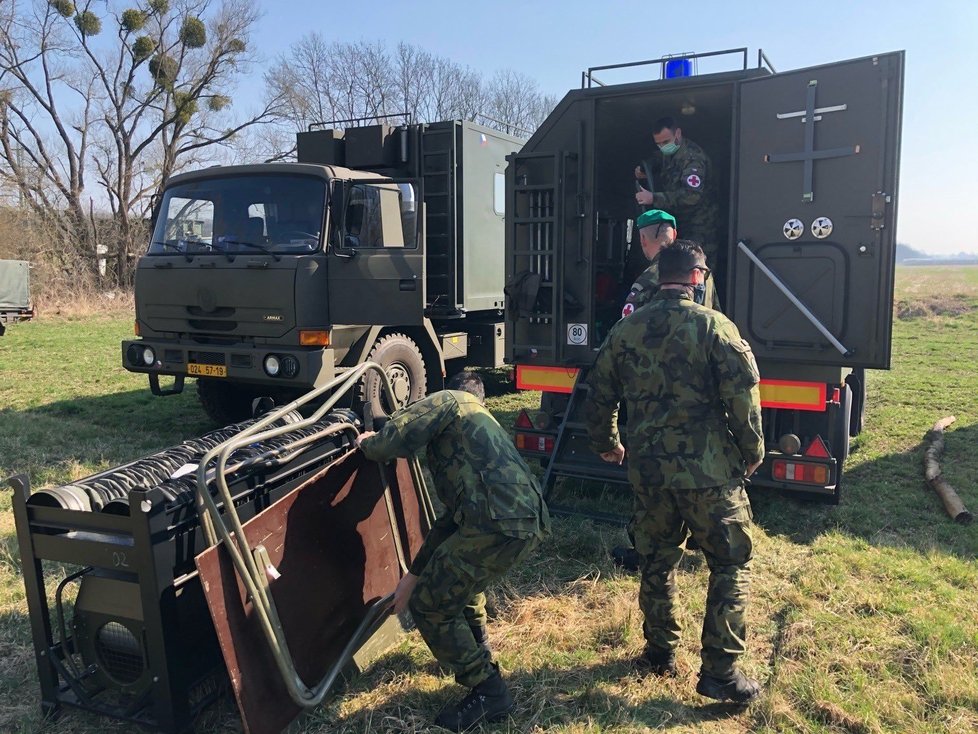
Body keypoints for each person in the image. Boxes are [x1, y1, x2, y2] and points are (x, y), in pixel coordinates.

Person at [584, 241, 765, 704]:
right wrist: (752, 450)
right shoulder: (714, 326)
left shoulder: (626, 330)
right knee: (729, 563)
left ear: (660, 275)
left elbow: (599, 391)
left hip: (649, 470)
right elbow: (742, 396)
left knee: (656, 559)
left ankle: (659, 653)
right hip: (710, 474)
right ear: (697, 276)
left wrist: (608, 444)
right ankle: (721, 673)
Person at [357, 371, 550, 731]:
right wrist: (411, 577)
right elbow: (449, 524)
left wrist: (369, 443)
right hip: (523, 521)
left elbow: (395, 438)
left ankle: (488, 690)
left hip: (496, 522)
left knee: (430, 603)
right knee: (460, 576)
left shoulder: (450, 400)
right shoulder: (479, 430)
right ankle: (477, 648)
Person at [634, 117, 719, 264]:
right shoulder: (669, 152)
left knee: (695, 270)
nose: (662, 147)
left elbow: (692, 196)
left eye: (666, 142)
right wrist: (645, 168)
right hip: (681, 224)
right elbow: (659, 158)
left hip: (699, 227)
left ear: (678, 134)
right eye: (658, 144)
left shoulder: (693, 159)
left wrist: (653, 198)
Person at [621, 209, 720, 319]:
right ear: (674, 234)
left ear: (643, 239)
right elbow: (716, 313)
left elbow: (630, 326)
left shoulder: (648, 277)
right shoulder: (703, 272)